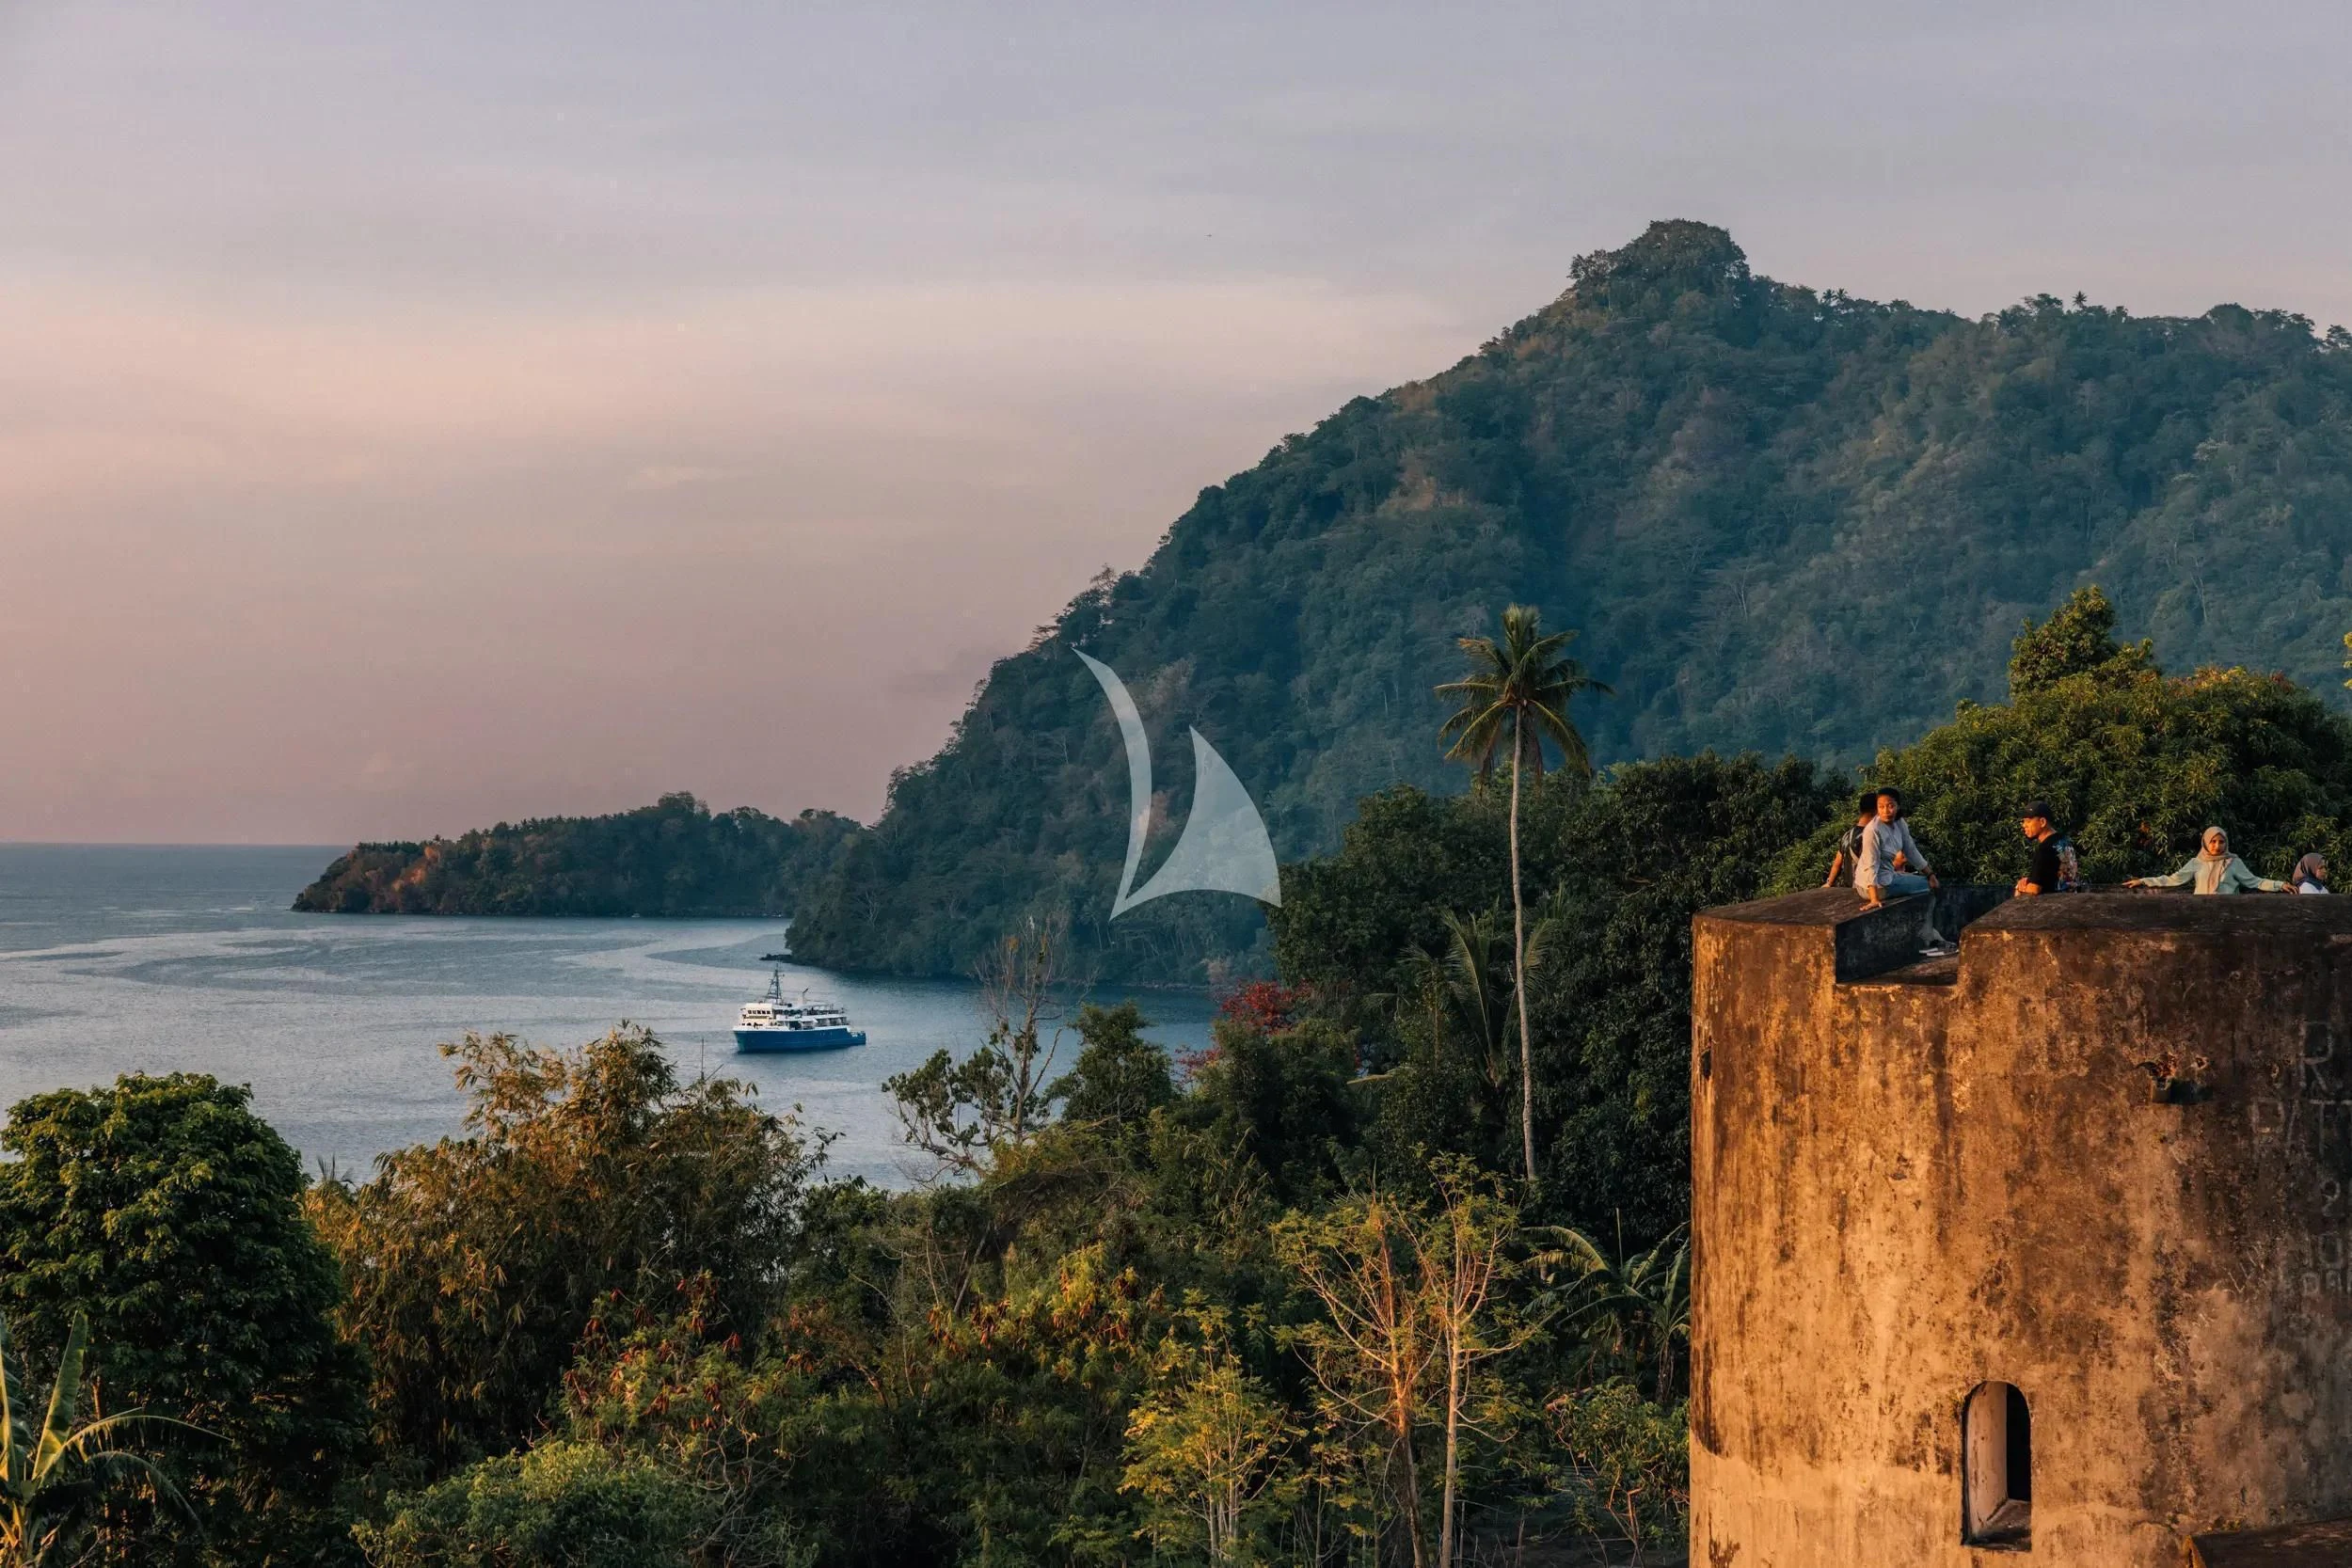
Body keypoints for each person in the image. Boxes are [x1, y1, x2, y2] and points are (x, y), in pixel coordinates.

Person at [1855, 787, 1955, 954]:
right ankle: (1929, 937)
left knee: (1927, 882)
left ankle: (1926, 933)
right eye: (1881, 807)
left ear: (1898, 806)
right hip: (1875, 885)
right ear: (1876, 808)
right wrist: (1873, 898)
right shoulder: (1872, 831)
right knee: (1929, 888)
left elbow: (1911, 851)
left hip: (1888, 877)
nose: (1886, 811)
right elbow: (1870, 864)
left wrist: (1930, 874)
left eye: (1890, 806)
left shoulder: (1899, 824)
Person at [2125, 828, 2291, 895]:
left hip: (2228, 915)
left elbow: (2255, 881)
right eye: (2213, 841)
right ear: (2205, 842)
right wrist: (2143, 881)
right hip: (2200, 913)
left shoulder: (2233, 862)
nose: (2217, 846)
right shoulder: (2197, 862)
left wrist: (2280, 885)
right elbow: (2172, 879)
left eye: (2221, 842)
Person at [1822, 792, 1879, 888]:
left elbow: (1837, 863)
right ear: (1875, 812)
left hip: (1848, 888)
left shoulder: (1847, 835)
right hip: (1865, 889)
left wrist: (1829, 883)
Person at [2015, 801, 2063, 897]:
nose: (2024, 825)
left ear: (2042, 822)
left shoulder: (2045, 849)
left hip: (2053, 907)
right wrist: (2029, 881)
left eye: (2028, 821)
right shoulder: (2063, 841)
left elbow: (2034, 890)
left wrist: (2020, 888)